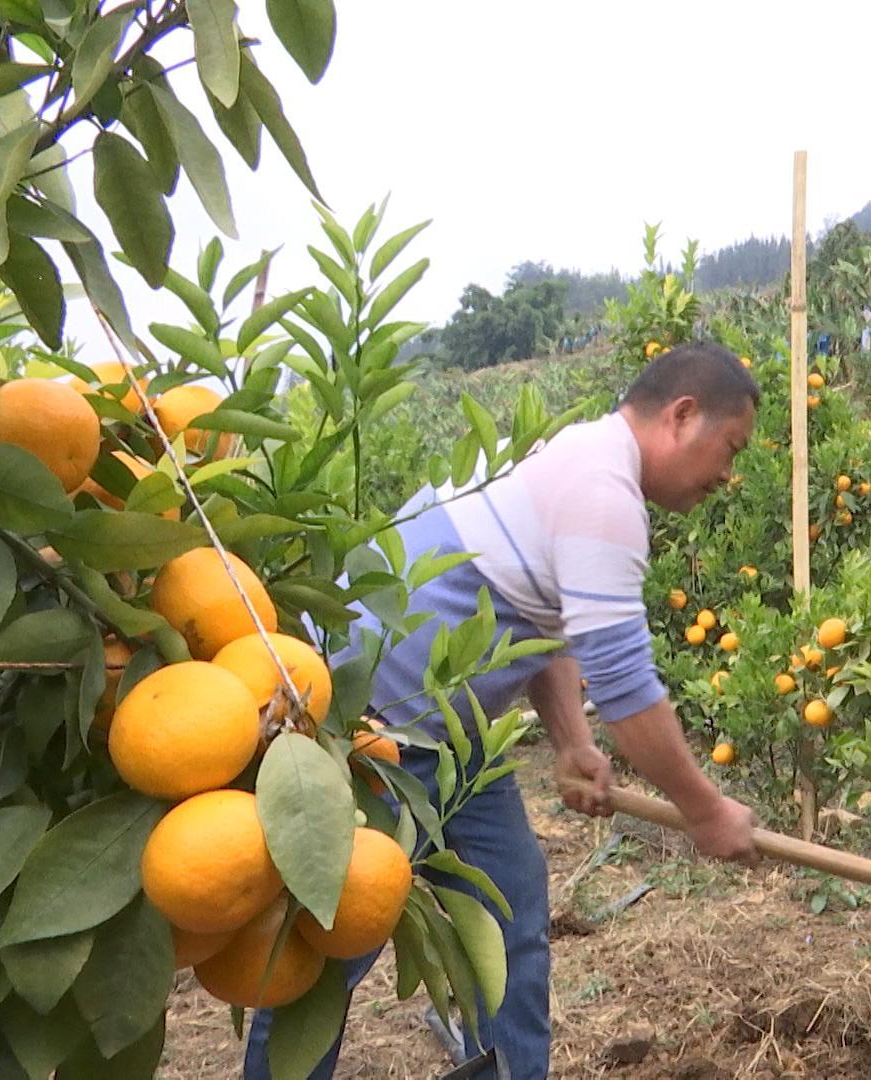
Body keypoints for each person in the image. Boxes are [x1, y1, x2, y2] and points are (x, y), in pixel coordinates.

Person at [245, 342, 763, 1080]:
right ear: (682, 416)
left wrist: (571, 743)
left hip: (457, 745)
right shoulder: (602, 490)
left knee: (512, 925)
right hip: (374, 735)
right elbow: (623, 681)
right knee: (329, 949)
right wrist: (705, 809)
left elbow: (541, 618)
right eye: (729, 448)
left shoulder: (583, 462)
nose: (727, 475)